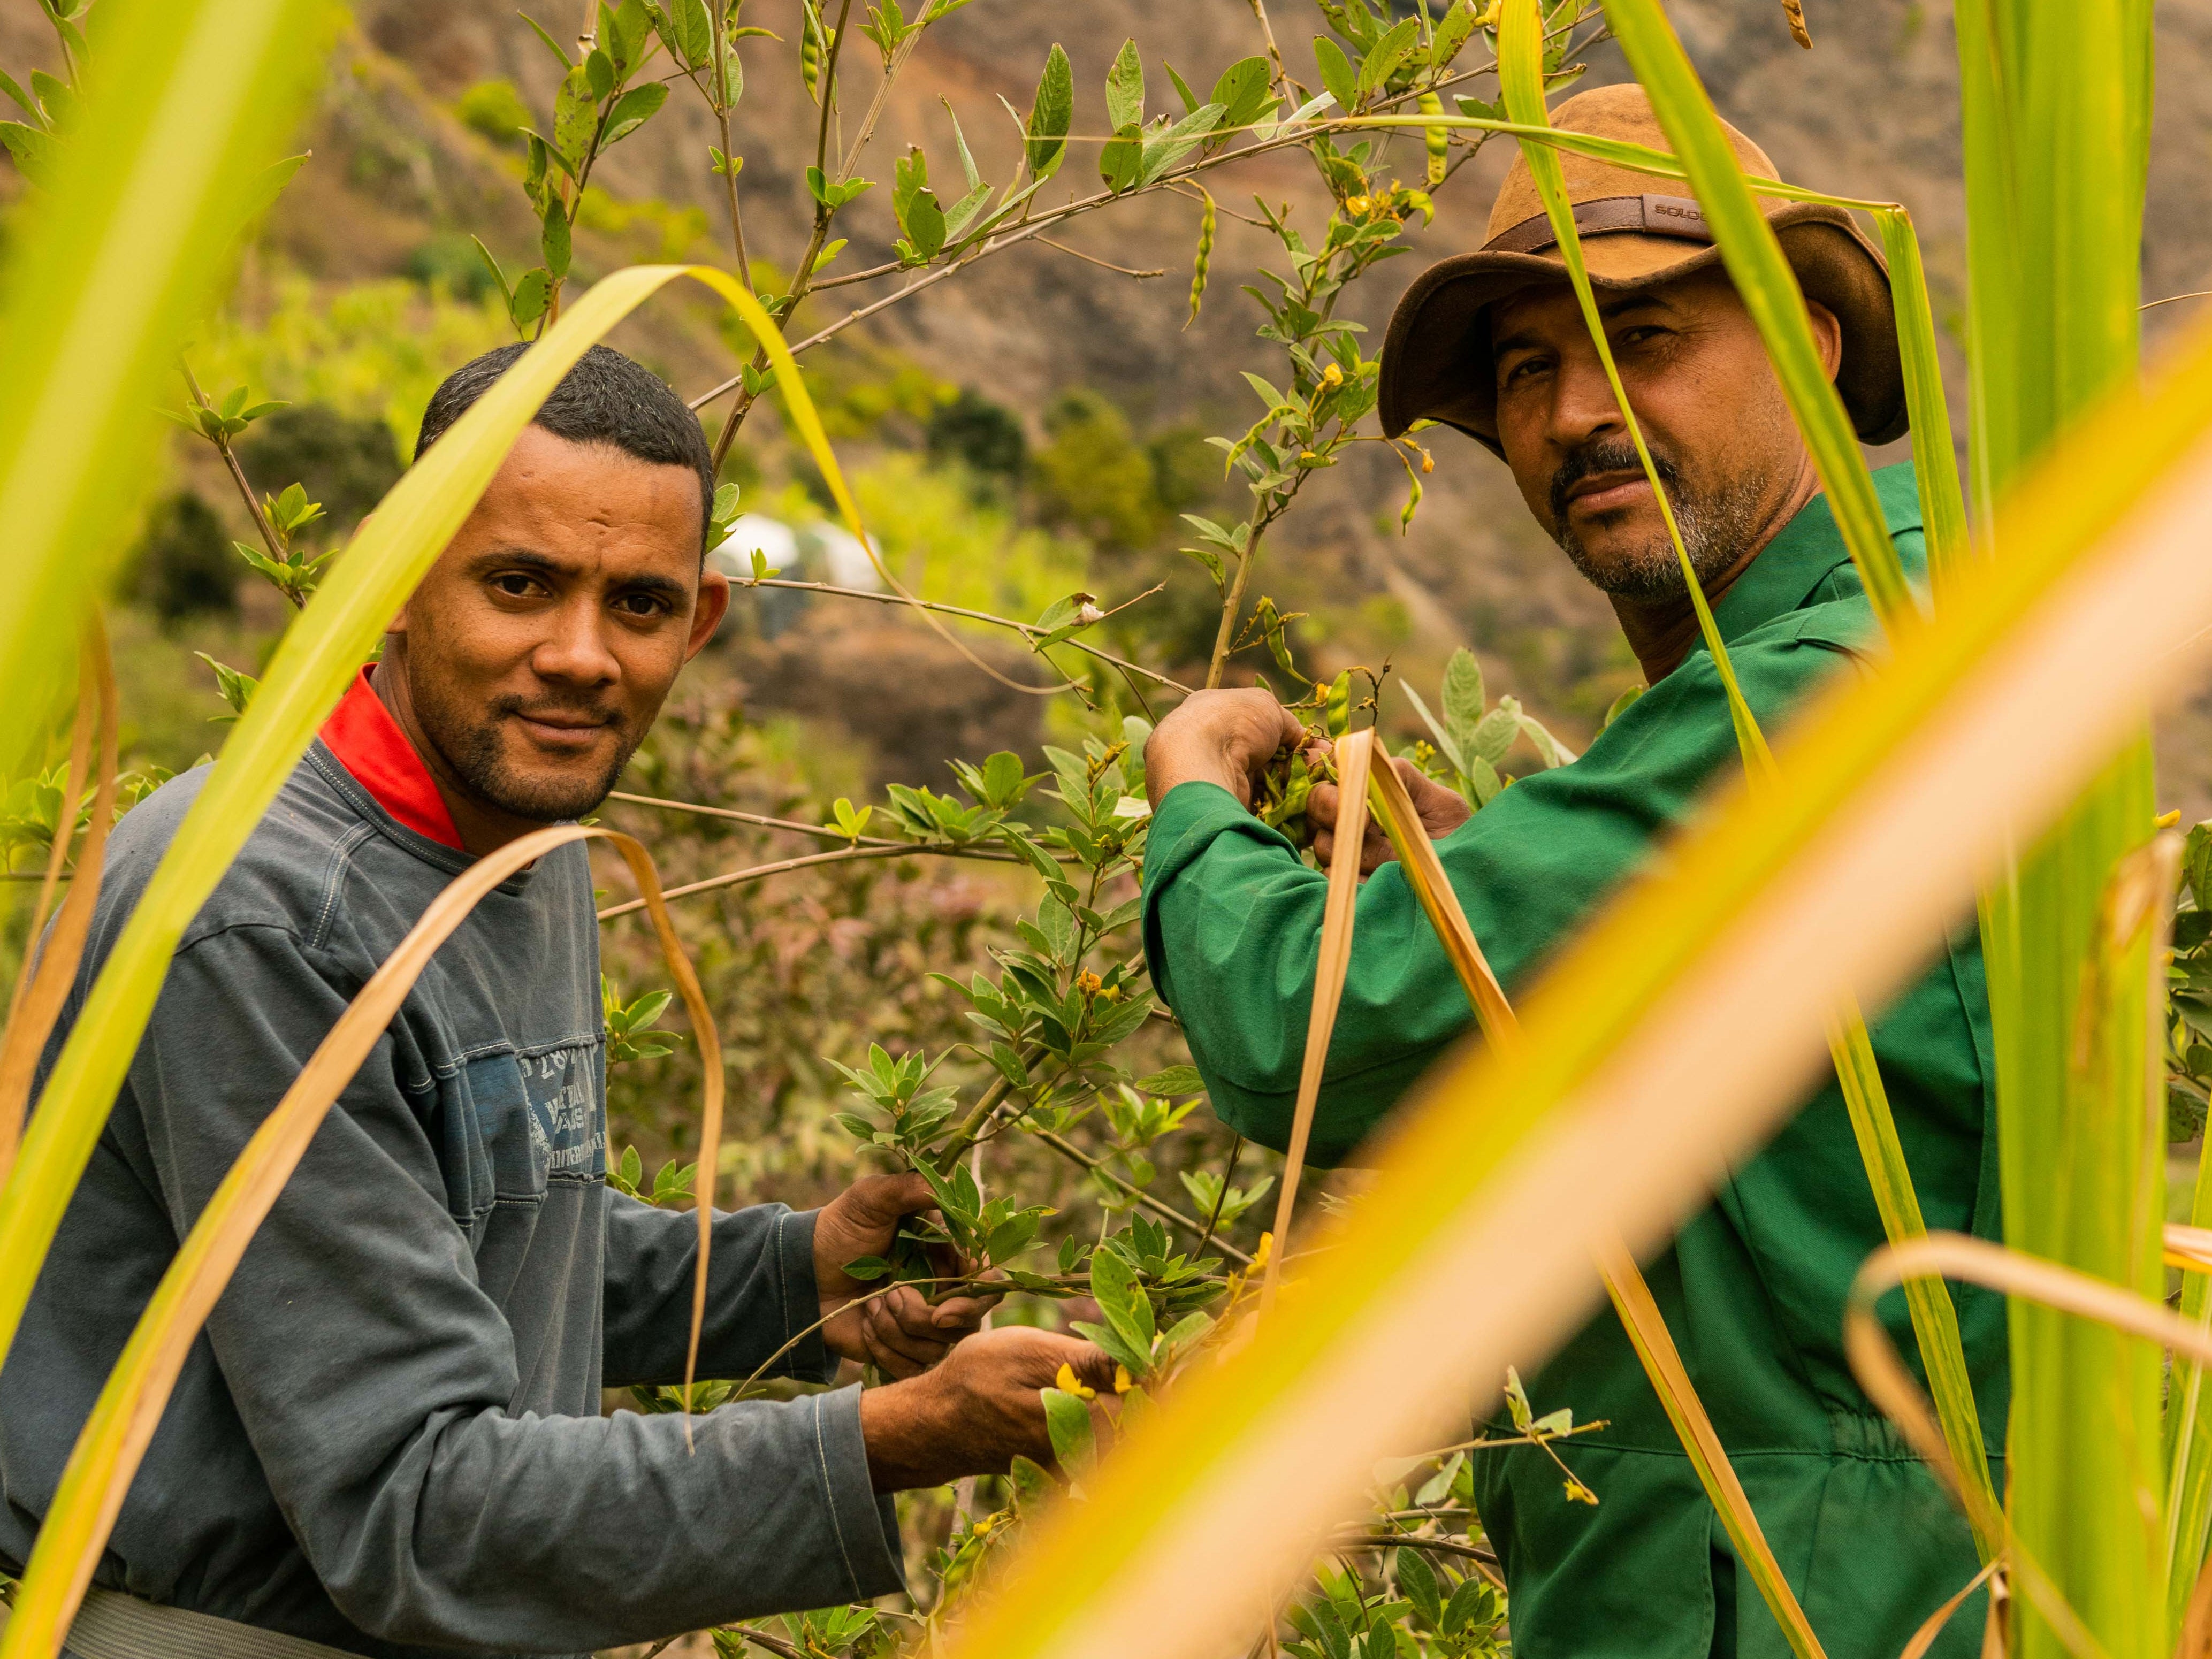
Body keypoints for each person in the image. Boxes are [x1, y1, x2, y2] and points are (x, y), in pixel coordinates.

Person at [0, 343, 1113, 1659]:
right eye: (520, 585)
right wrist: (892, 1445)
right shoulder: (258, 918)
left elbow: (478, 1244)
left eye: (637, 605)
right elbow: (416, 1509)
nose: (581, 658)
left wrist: (794, 1274)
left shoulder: (521, 826)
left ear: (696, 624)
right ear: (398, 575)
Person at [1139, 86, 1999, 1658]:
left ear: (1807, 342)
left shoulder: (1815, 681)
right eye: (1528, 369)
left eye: (1642, 341)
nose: (1574, 414)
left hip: (1791, 1591)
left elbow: (1300, 1026)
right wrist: (1463, 884)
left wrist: (1190, 794)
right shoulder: (1887, 633)